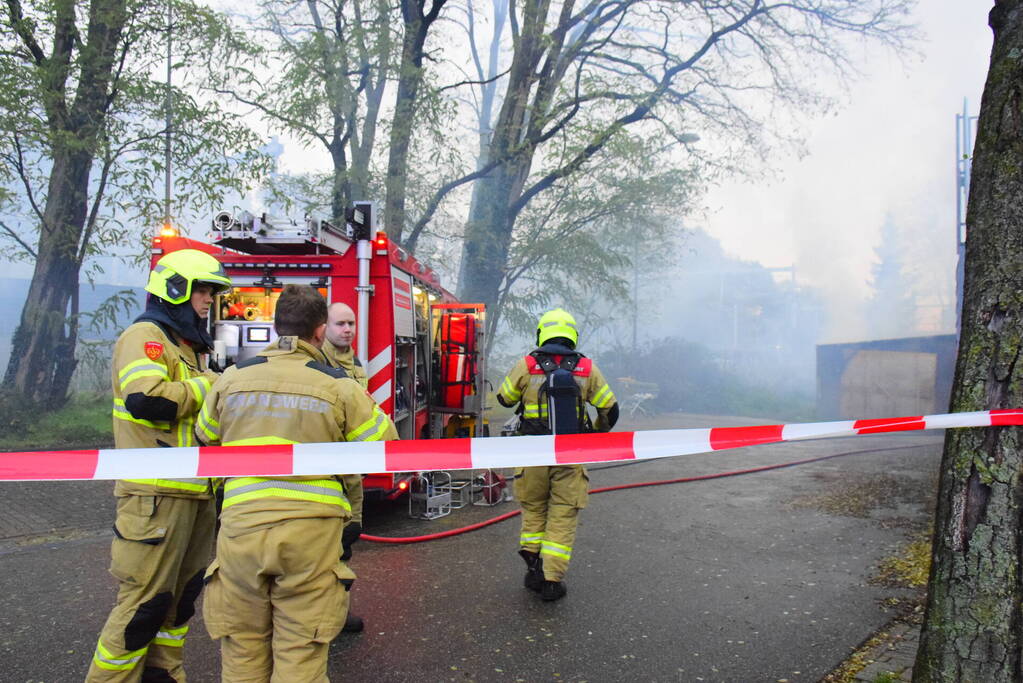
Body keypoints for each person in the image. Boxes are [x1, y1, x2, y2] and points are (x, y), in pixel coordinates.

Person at [197, 284, 397, 682]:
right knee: (300, 654)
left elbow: (206, 435)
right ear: (320, 331)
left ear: (275, 325)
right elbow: (384, 442)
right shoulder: (338, 385)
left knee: (243, 652)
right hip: (310, 536)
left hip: (241, 532)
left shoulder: (232, 378)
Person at [88, 249, 232, 681]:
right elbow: (146, 399)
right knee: (142, 608)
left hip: (192, 495)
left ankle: (164, 675)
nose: (209, 300)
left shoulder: (185, 346)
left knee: (179, 603)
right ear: (175, 289)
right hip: (155, 497)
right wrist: (209, 385)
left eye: (212, 291)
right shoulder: (145, 337)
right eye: (203, 290)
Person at [495, 308, 619, 602]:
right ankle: (552, 581)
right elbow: (609, 409)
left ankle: (533, 566)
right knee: (562, 514)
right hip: (569, 454)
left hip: (531, 454)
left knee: (535, 509)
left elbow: (504, 398)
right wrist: (598, 433)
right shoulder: (586, 368)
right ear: (572, 335)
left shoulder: (527, 364)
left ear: (542, 334)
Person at [322, 301, 369, 633]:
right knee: (322, 546)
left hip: (351, 471)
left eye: (351, 323)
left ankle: (337, 612)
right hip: (325, 471)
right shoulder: (316, 362)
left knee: (347, 541)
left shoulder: (355, 363)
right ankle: (323, 617)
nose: (347, 329)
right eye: (340, 323)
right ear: (324, 326)